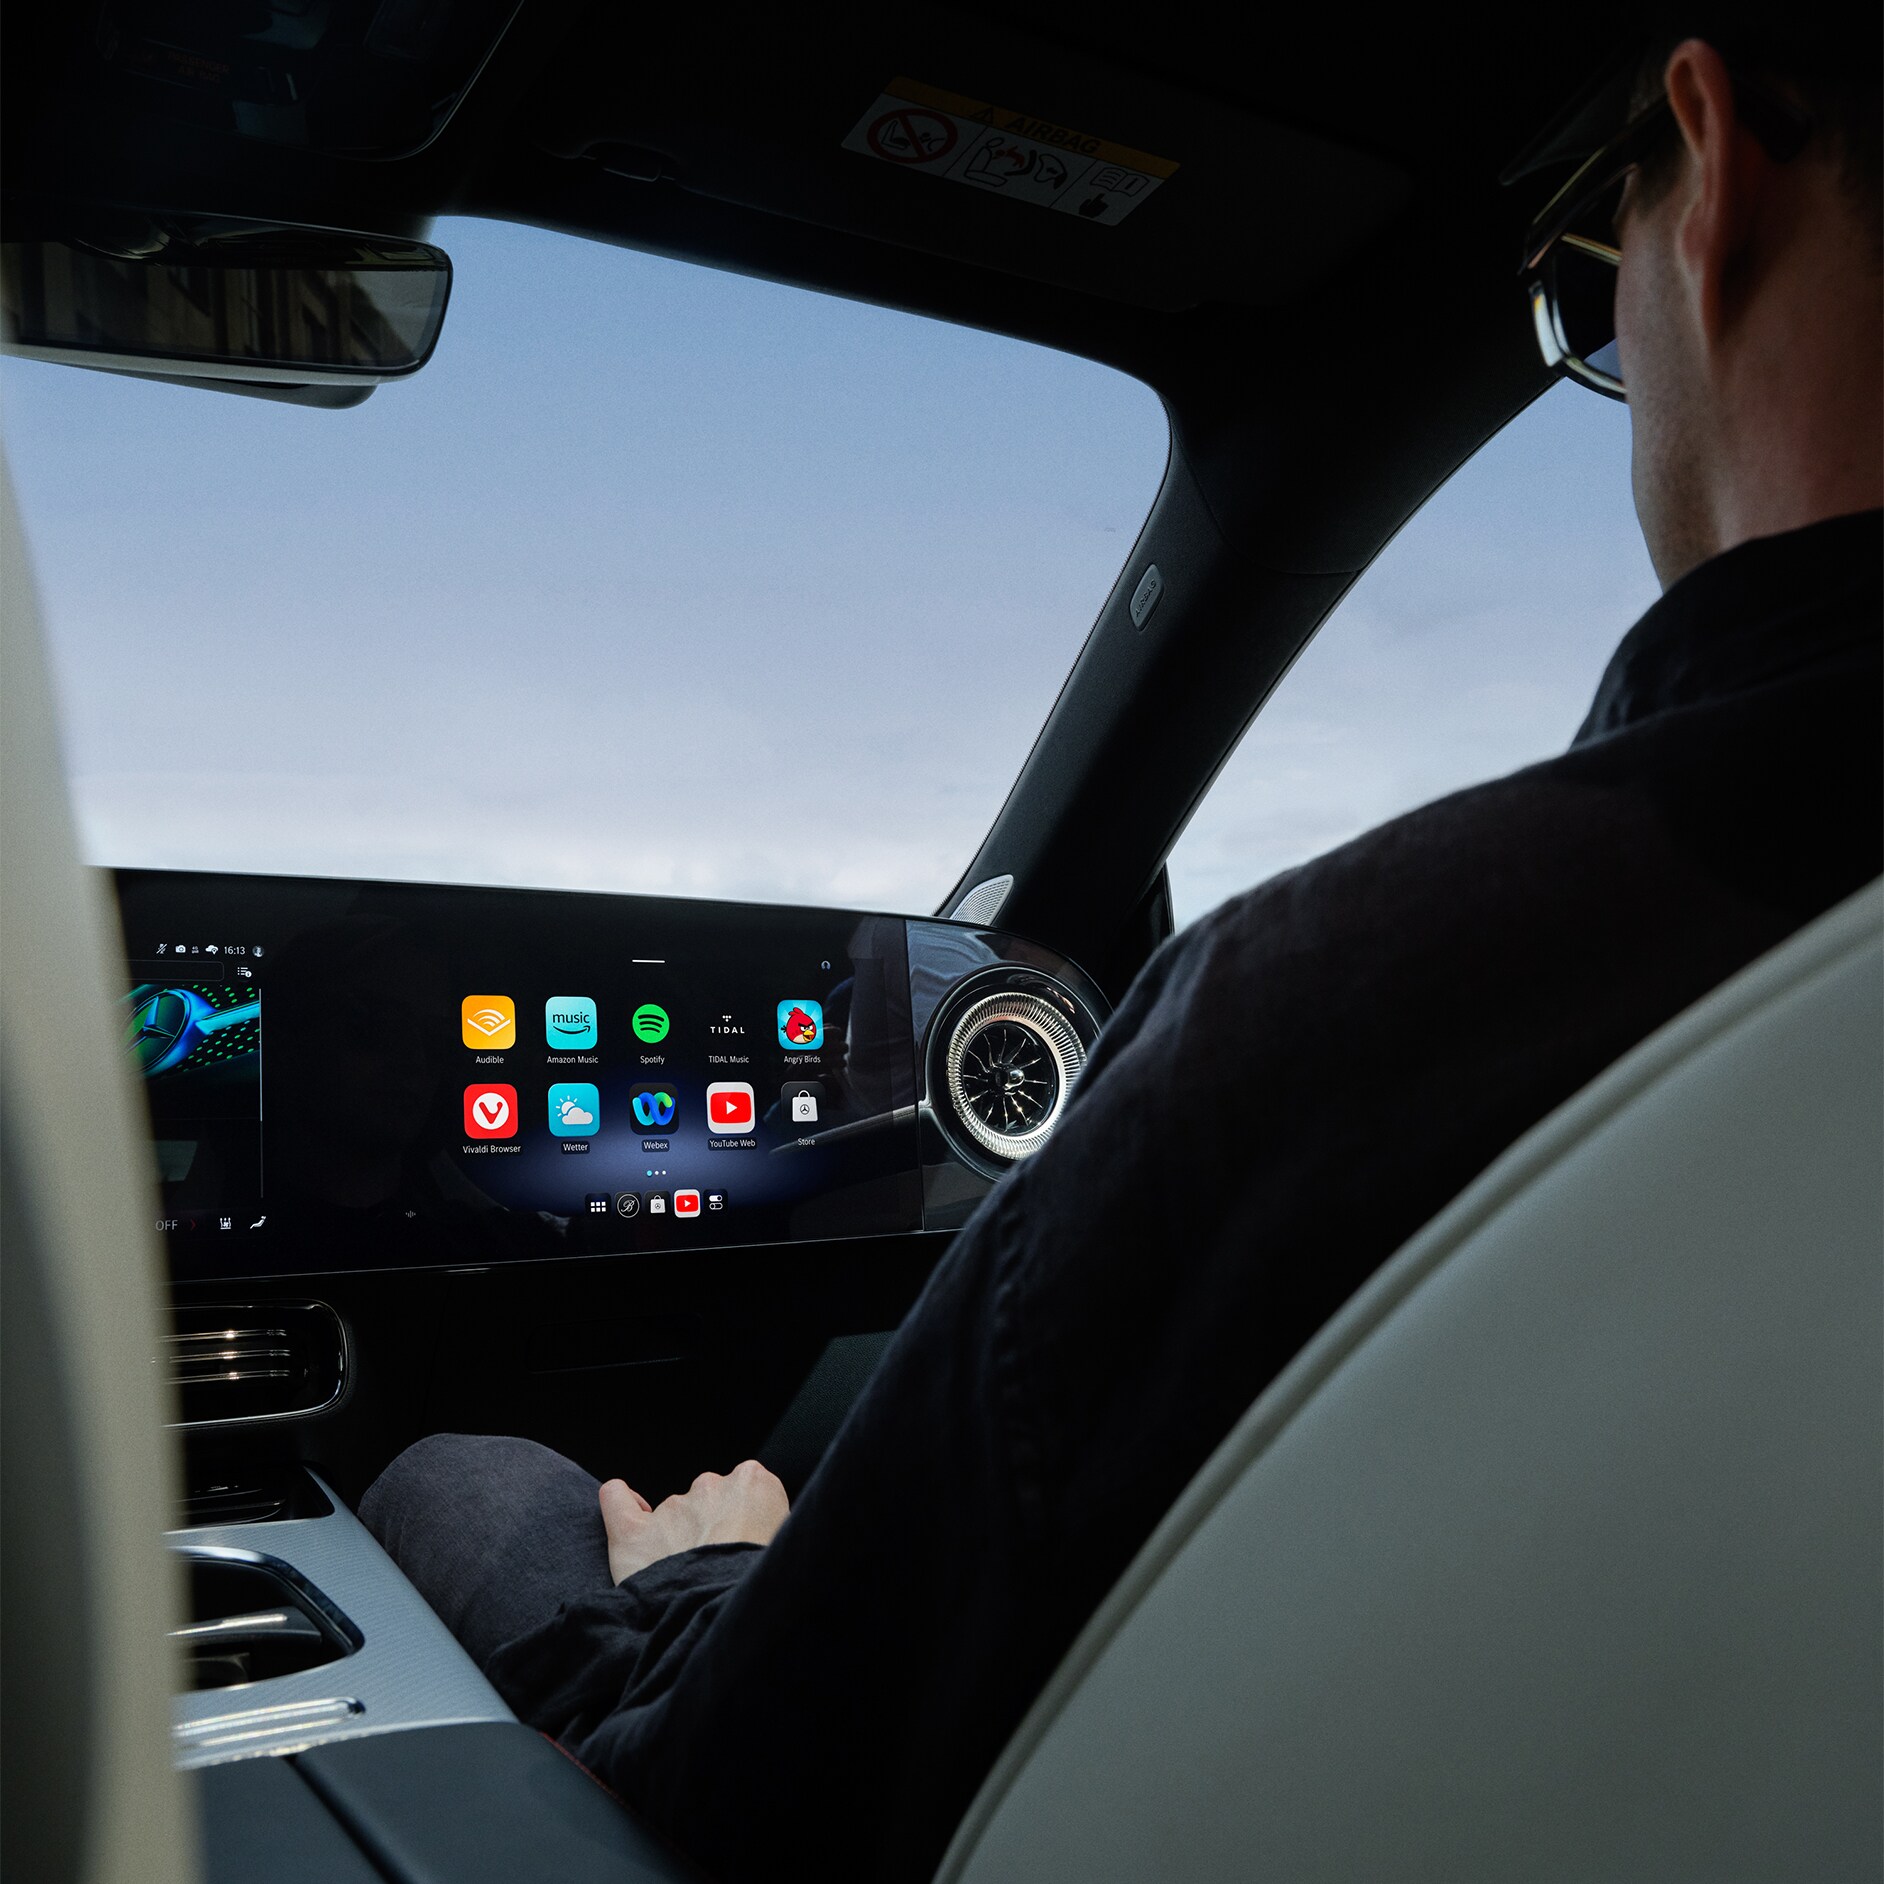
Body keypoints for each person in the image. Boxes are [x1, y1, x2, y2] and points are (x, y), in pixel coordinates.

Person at [362, 20, 1882, 1881]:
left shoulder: (1349, 1012)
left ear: (1710, 180)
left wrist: (715, 1580)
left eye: (1596, 270)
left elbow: (751, 1793)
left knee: (465, 1473)